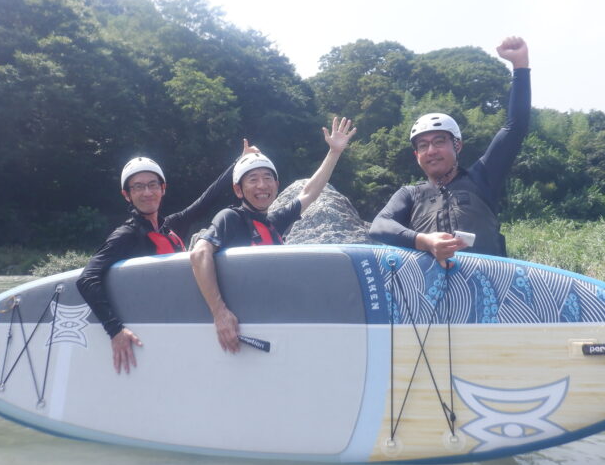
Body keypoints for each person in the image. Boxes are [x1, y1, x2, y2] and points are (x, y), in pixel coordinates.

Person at [77, 140, 259, 374]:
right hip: (158, 329)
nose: (147, 192)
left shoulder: (169, 226)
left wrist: (239, 162)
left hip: (184, 321)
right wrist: (115, 331)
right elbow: (87, 279)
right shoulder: (127, 235)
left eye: (153, 185)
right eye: (138, 187)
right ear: (127, 194)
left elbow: (206, 201)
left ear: (163, 189)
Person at [190, 117, 356, 353]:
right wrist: (219, 313)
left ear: (277, 185)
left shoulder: (274, 222)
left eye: (268, 178)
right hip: (243, 326)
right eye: (253, 179)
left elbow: (309, 193)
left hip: (272, 319)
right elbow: (199, 254)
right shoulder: (231, 218)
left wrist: (334, 152)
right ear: (238, 189)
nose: (262, 186)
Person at [369, 36, 530, 264]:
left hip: (486, 289)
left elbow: (515, 127)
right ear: (417, 156)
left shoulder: (482, 178)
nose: (431, 150)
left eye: (439, 141)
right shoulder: (409, 195)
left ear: (457, 146)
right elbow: (379, 226)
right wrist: (425, 241)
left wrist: (520, 66)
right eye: (423, 146)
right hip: (432, 295)